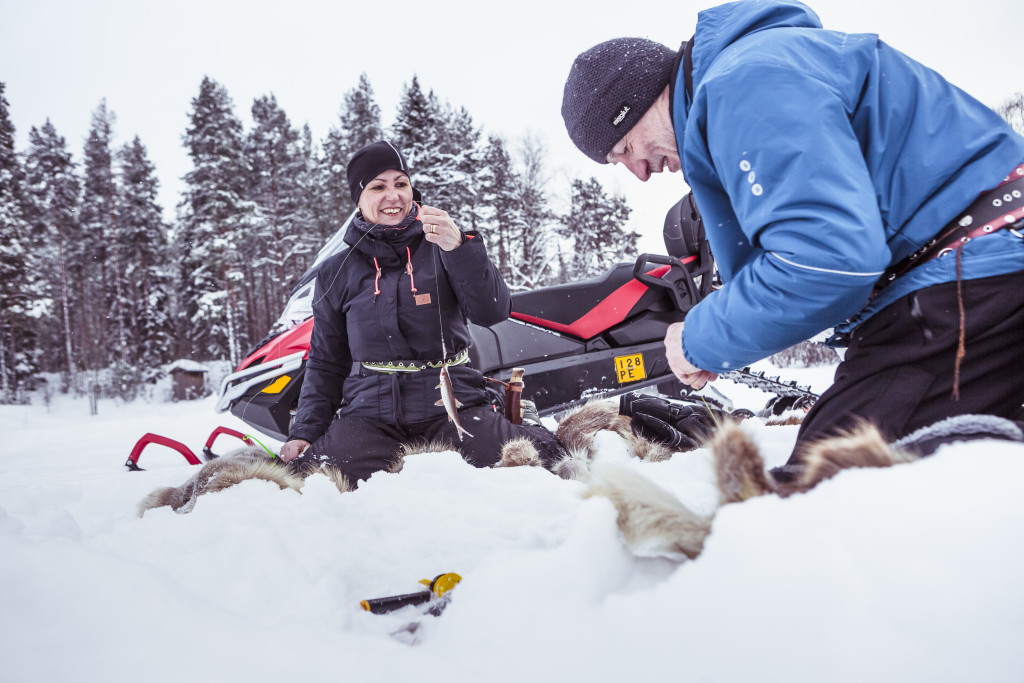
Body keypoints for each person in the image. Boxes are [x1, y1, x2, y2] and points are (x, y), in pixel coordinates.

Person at [561, 0, 1024, 465]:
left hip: (970, 278)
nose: (639, 173)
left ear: (635, 104)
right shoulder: (759, 69)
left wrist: (697, 338)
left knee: (820, 496)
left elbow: (824, 262)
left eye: (623, 149)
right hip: (979, 267)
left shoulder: (740, 88)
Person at [280, 141, 565, 482]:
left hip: (452, 407)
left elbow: (493, 311)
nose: (394, 196)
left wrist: (460, 247)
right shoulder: (335, 272)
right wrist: (305, 431)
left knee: (544, 461)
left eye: (401, 184)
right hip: (369, 416)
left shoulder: (444, 245)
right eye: (378, 186)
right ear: (358, 199)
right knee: (309, 479)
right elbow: (326, 362)